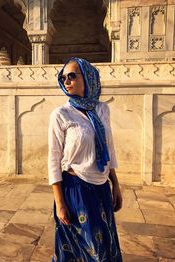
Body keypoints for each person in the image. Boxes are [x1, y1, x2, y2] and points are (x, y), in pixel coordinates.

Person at [48, 57, 123, 261]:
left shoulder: (101, 109)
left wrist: (115, 183)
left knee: (105, 245)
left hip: (101, 188)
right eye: (63, 77)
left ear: (88, 77)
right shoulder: (61, 114)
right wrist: (60, 202)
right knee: (87, 250)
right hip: (75, 188)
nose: (66, 81)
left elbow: (108, 148)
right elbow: (54, 159)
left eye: (72, 76)